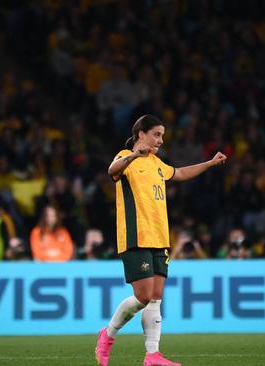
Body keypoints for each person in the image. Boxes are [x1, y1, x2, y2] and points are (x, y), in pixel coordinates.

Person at [95, 114, 227, 366]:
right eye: (156, 134)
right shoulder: (125, 157)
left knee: (155, 297)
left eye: (162, 136)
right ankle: (107, 334)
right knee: (143, 296)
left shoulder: (157, 164)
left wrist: (209, 163)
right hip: (136, 237)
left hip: (159, 237)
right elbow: (112, 170)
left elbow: (180, 173)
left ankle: (152, 355)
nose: (161, 140)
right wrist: (134, 155)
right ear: (140, 134)